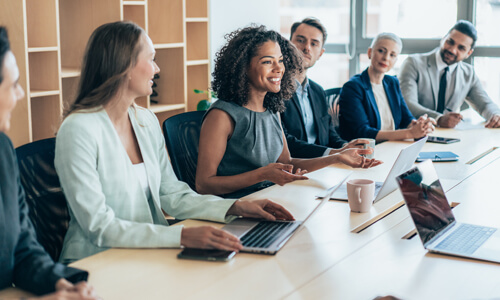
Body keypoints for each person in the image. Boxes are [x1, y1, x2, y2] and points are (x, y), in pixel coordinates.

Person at [54, 21, 294, 264]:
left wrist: (237, 208)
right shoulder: (78, 130)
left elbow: (173, 195)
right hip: (95, 261)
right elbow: (98, 225)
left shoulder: (144, 120)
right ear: (124, 66)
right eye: (151, 59)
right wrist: (181, 235)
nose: (157, 69)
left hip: (147, 251)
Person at [196, 25, 382, 198]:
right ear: (243, 67)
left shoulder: (271, 108)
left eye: (281, 61)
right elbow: (204, 185)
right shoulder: (221, 116)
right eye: (268, 62)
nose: (279, 69)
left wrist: (337, 157)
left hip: (273, 198)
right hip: (237, 209)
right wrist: (262, 174)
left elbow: (289, 163)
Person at [0, 27, 98, 299]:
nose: (20, 94)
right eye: (12, 84)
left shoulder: (3, 150)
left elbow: (23, 247)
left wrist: (58, 284)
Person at [280, 17, 369, 158]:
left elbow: (329, 132)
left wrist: (345, 146)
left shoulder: (318, 91)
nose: (306, 48)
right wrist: (334, 154)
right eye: (300, 40)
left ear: (320, 53)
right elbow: (285, 142)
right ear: (290, 44)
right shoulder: (276, 89)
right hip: (292, 169)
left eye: (314, 44)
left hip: (323, 167)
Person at [399, 20, 500, 128]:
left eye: (461, 48)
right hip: (412, 134)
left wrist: (496, 115)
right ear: (443, 39)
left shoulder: (468, 73)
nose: (452, 50)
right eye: (450, 42)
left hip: (448, 137)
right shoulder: (413, 63)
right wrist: (439, 119)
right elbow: (408, 104)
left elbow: (484, 105)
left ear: (468, 53)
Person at [338, 32, 436, 142]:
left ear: (395, 60)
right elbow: (362, 132)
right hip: (366, 152)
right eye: (381, 51)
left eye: (392, 55)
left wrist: (419, 125)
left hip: (392, 146)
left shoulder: (392, 83)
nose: (386, 58)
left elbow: (406, 118)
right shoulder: (353, 87)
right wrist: (409, 133)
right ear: (370, 52)